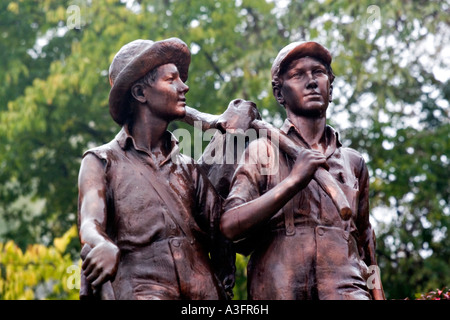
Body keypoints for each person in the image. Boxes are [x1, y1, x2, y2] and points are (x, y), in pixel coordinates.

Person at [220, 41, 385, 300]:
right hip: (279, 290)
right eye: (298, 75)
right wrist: (294, 180)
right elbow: (230, 225)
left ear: (330, 88)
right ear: (279, 93)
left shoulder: (353, 162)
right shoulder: (262, 152)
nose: (311, 82)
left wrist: (377, 294)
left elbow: (365, 241)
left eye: (318, 73)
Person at [77, 38, 234, 300]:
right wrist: (101, 243)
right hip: (140, 289)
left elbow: (225, 227)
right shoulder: (101, 161)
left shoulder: (188, 168)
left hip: (205, 294)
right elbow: (90, 223)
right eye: (171, 79)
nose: (184, 86)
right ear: (140, 93)